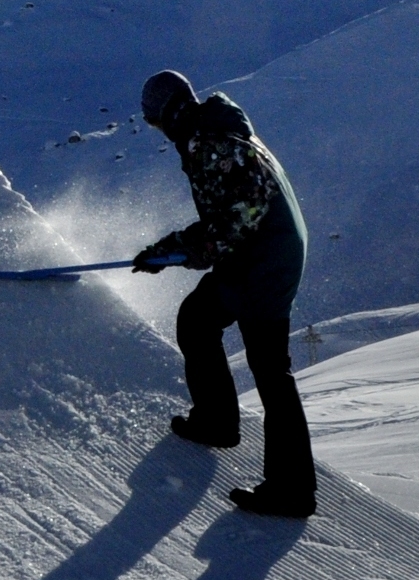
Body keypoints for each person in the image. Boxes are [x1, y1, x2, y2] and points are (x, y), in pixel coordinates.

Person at [131, 69, 317, 518]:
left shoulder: (214, 143)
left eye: (155, 122)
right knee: (197, 318)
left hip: (265, 262)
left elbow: (240, 215)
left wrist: (187, 250)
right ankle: (216, 422)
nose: (159, 131)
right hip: (262, 254)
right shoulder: (212, 131)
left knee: (271, 371)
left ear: (169, 113)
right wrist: (168, 250)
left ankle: (291, 489)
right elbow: (228, 214)